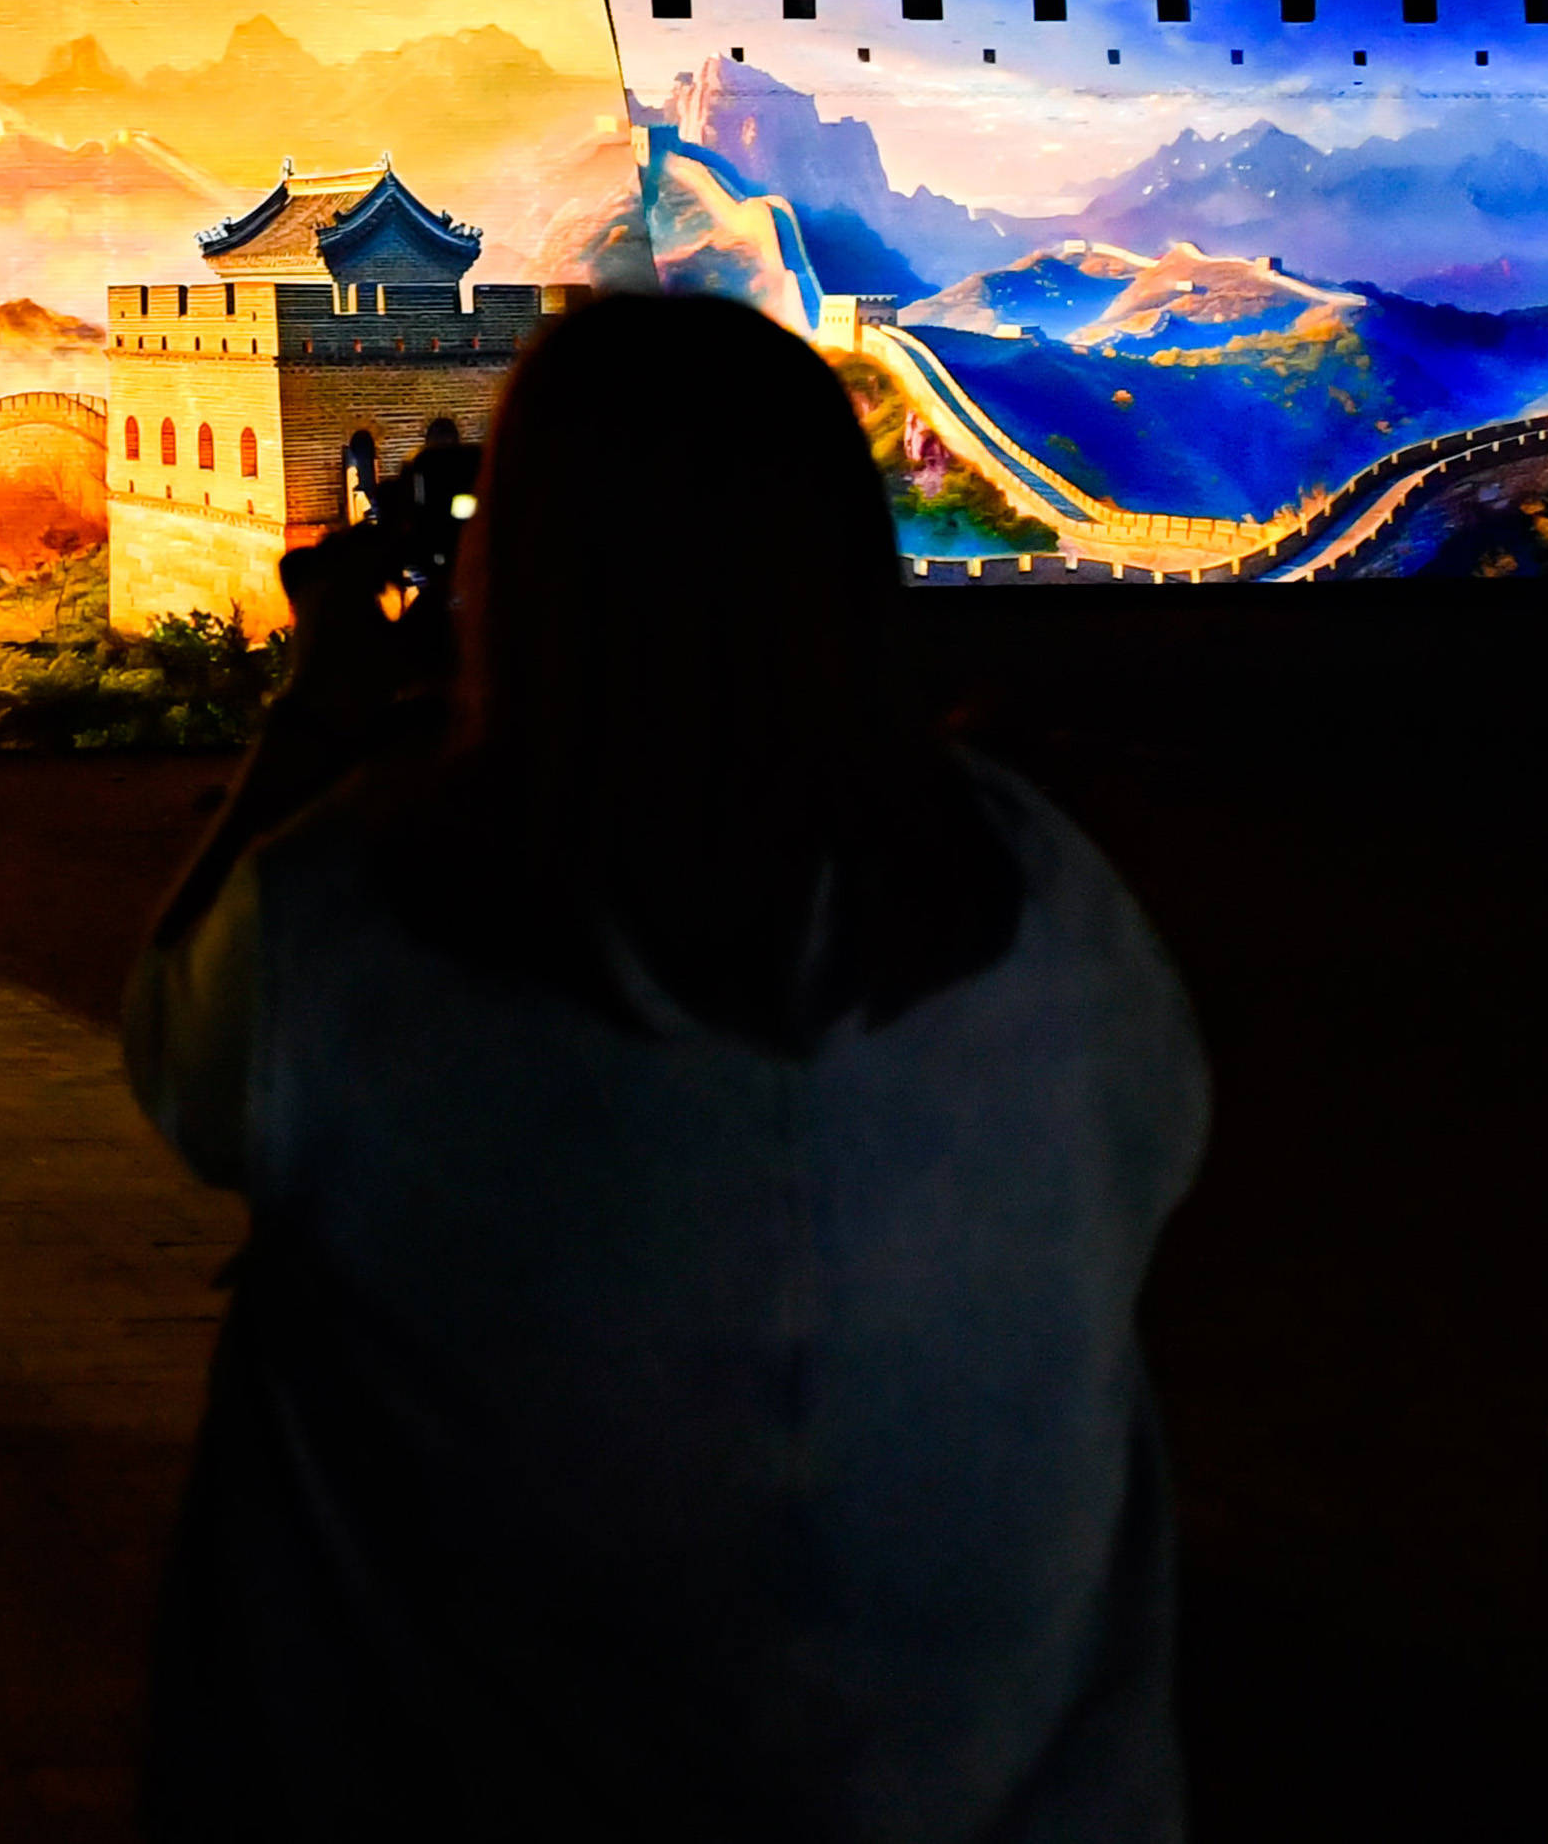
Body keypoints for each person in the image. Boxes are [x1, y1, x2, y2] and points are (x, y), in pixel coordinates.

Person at [125, 294, 1210, 1836]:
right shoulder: (1035, 890)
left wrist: (325, 711)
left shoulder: (359, 917)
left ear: (520, 571)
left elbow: (176, 1066)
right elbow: (1151, 1159)